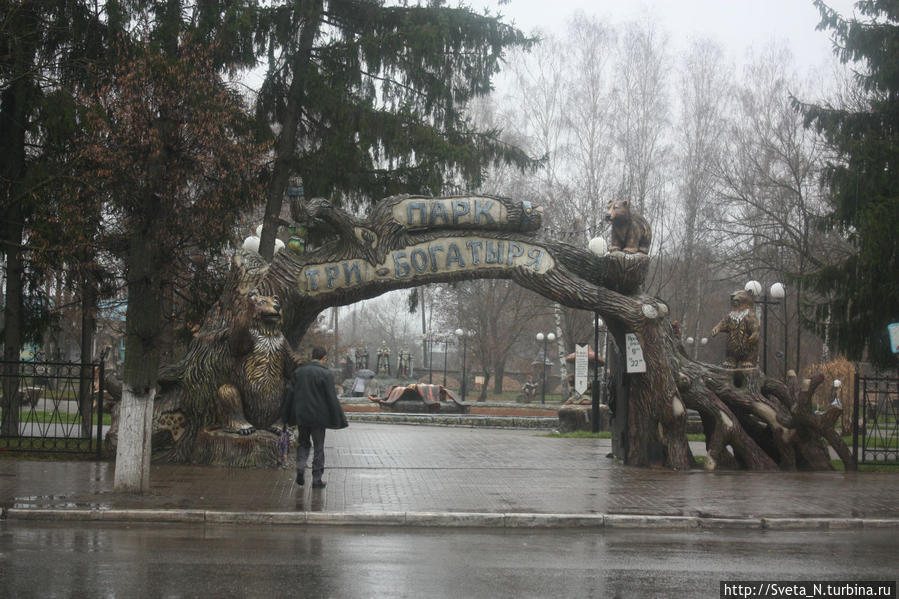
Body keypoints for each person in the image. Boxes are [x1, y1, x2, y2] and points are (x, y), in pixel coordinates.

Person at [281, 346, 348, 489]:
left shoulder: (299, 372)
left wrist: (285, 417)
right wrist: (339, 418)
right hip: (319, 418)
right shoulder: (325, 374)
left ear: (312, 356)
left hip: (302, 416)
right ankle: (316, 479)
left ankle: (300, 467)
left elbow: (290, 395)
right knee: (318, 447)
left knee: (303, 444)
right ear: (324, 358)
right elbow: (331, 398)